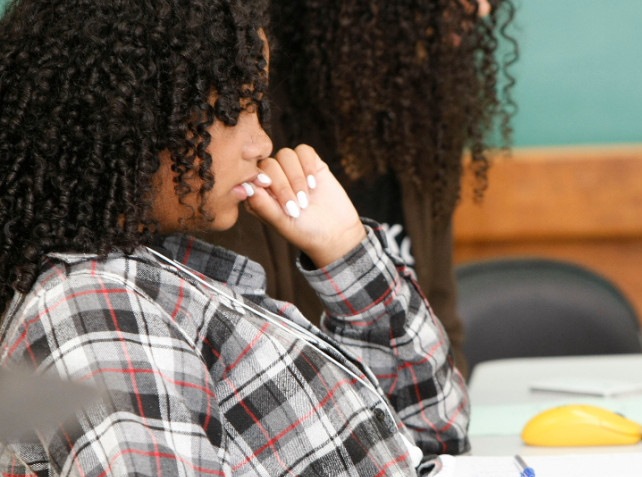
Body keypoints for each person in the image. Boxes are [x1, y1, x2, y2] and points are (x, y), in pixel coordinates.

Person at [0, 1, 642, 477]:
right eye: (237, 113)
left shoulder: (180, 283)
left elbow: (436, 432)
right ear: (135, 119)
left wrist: (346, 252)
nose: (260, 142)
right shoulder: (91, 310)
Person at [208, 0, 518, 378]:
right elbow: (252, 371)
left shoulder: (422, 123)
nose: (483, 9)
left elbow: (443, 331)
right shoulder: (240, 144)